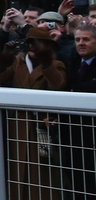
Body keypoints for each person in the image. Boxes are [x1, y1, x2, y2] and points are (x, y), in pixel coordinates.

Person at [0, 27, 67, 200]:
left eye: (36, 43)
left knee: (42, 176)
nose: (32, 47)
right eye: (29, 42)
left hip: (41, 127)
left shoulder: (55, 64)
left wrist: (45, 60)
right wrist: (5, 57)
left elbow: (58, 84)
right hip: (18, 126)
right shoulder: (18, 62)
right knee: (18, 173)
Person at [59, 25, 96, 199]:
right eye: (78, 40)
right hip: (72, 135)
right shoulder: (71, 62)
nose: (81, 43)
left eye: (86, 39)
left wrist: (74, 91)